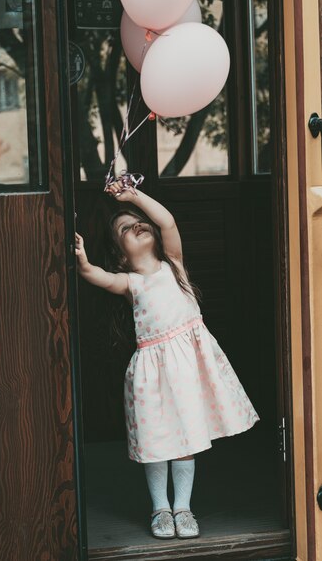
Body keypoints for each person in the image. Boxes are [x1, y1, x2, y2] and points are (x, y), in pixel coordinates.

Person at [75, 182, 260, 540]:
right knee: (157, 440)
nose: (136, 227)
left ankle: (183, 507)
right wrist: (83, 261)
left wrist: (134, 198)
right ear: (120, 255)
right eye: (125, 229)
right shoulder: (130, 282)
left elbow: (169, 222)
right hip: (151, 372)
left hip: (188, 366)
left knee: (187, 438)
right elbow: (95, 276)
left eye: (138, 222)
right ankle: (160, 507)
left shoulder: (173, 265)